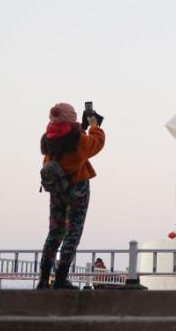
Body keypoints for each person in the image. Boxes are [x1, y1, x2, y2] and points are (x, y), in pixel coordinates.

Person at [36, 102, 105, 290]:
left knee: (54, 233)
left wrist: (80, 128)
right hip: (77, 188)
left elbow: (68, 139)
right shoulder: (78, 140)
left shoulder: (48, 139)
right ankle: (60, 278)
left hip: (57, 189)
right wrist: (94, 126)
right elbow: (96, 143)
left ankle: (43, 279)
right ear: (70, 118)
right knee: (72, 233)